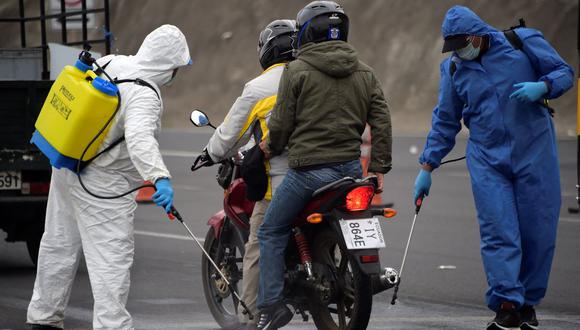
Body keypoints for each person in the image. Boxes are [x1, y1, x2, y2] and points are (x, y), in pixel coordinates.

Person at [413, 6, 573, 330]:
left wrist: (543, 86)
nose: (460, 52)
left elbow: (564, 72)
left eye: (462, 44)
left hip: (535, 153)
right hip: (487, 159)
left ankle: (527, 303)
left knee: (538, 233)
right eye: (454, 47)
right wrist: (427, 166)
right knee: (499, 231)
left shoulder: (522, 42)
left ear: (477, 34)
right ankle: (507, 304)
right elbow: (446, 121)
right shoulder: (455, 69)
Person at [26, 25, 191, 330]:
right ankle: (112, 325)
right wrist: (159, 178)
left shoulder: (114, 62)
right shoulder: (144, 94)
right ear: (168, 65)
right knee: (111, 258)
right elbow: (140, 138)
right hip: (103, 183)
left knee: (58, 243)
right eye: (177, 67)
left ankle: (44, 317)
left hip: (67, 163)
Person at [255, 2, 392, 329]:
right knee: (355, 216)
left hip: (307, 174)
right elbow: (382, 121)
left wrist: (267, 147)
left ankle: (271, 305)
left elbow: (283, 123)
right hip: (350, 172)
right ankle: (366, 275)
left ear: (306, 32)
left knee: (270, 231)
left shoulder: (296, 70)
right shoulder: (365, 71)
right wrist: (379, 168)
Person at [200, 19, 296, 329]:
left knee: (259, 239)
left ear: (267, 50)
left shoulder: (258, 88)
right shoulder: (312, 76)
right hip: (337, 171)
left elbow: (229, 134)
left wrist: (210, 153)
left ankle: (252, 316)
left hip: (283, 179)